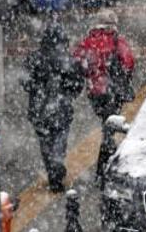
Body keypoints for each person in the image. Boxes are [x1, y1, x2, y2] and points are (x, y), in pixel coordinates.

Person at [72, 10, 135, 178]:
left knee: (106, 125)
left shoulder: (87, 42)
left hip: (95, 93)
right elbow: (129, 62)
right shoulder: (117, 41)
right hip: (113, 91)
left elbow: (78, 63)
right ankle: (104, 168)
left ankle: (105, 166)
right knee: (109, 130)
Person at [22, 24, 84, 192]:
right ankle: (56, 170)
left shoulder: (34, 58)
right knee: (59, 141)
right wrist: (67, 94)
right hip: (61, 108)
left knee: (45, 143)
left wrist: (38, 89)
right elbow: (78, 84)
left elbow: (25, 82)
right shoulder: (67, 60)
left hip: (38, 110)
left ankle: (52, 169)